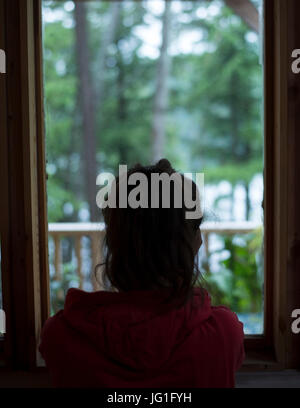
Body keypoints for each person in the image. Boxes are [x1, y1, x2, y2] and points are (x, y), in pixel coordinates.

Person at [39, 158, 244, 388]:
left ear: (115, 243)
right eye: (197, 228)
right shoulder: (223, 334)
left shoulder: (61, 336)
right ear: (188, 243)